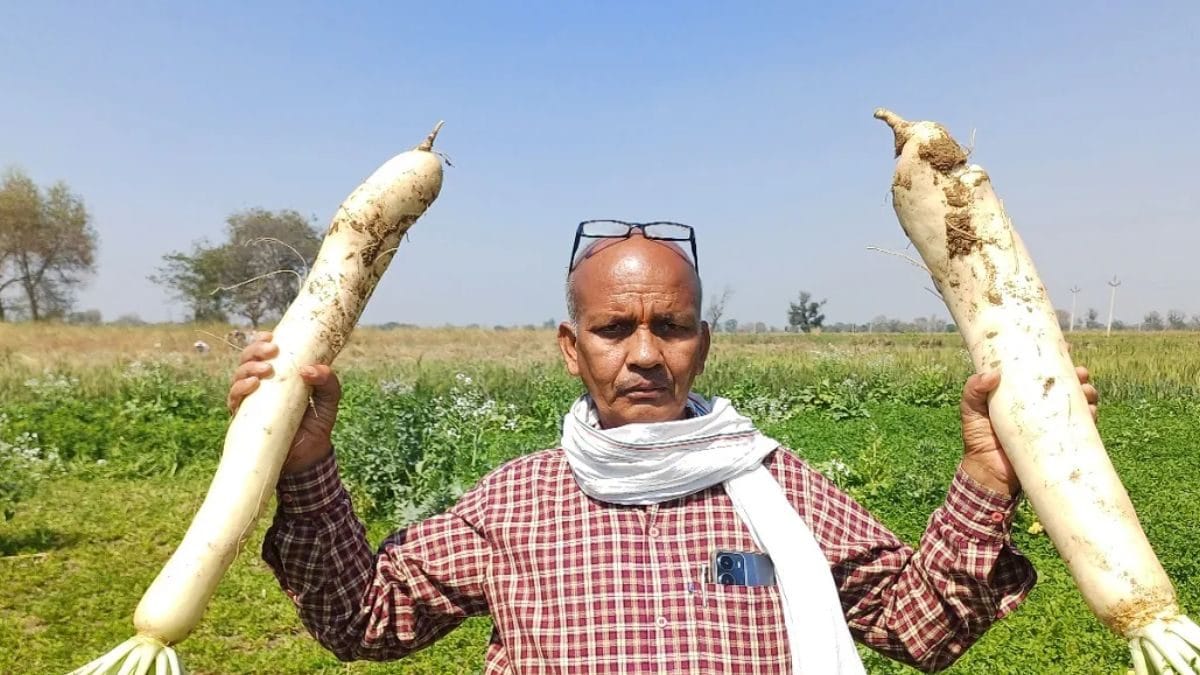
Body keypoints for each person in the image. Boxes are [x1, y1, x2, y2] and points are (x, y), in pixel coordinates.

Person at [230, 221, 1099, 674]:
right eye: (614, 328)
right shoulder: (514, 501)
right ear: (571, 348)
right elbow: (363, 619)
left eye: (671, 327)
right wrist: (304, 461)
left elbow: (921, 627)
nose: (645, 353)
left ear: (703, 343)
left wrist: (989, 472)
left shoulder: (774, 483)